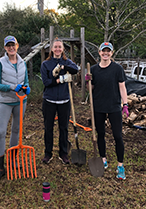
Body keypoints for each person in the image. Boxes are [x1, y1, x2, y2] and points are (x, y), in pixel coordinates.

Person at [85, 42, 129, 180]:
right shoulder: (93, 69)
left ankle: (120, 165)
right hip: (98, 107)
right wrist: (88, 82)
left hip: (114, 106)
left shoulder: (117, 69)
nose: (105, 53)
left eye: (108, 51)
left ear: (111, 53)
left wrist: (125, 104)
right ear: (99, 53)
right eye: (103, 51)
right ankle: (103, 159)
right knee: (101, 134)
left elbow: (122, 87)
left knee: (117, 136)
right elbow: (90, 90)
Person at [0, 35, 30, 181]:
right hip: (5, 101)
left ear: (17, 45)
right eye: (8, 45)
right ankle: (0, 166)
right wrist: (12, 87)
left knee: (16, 130)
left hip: (21, 101)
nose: (11, 47)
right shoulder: (0, 63)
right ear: (5, 48)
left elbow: (26, 80)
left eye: (13, 45)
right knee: (1, 132)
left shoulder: (22, 62)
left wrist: (27, 89)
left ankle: (13, 160)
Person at [40, 38, 78, 164]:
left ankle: (63, 153)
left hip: (64, 101)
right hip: (49, 100)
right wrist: (61, 80)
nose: (57, 49)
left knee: (64, 128)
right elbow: (46, 82)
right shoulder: (45, 64)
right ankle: (48, 153)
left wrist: (63, 66)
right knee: (48, 127)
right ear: (51, 49)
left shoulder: (68, 62)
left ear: (63, 49)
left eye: (59, 47)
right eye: (55, 47)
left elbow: (76, 70)